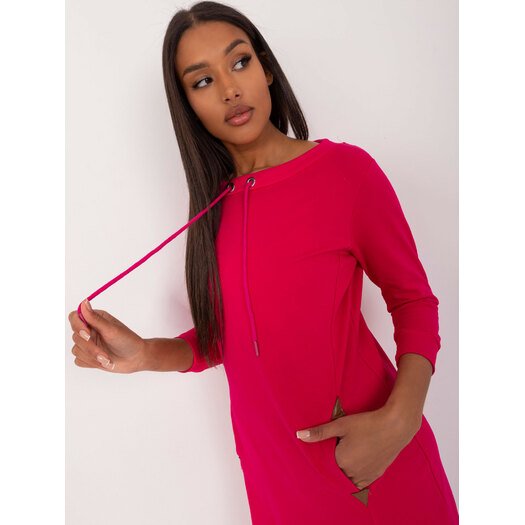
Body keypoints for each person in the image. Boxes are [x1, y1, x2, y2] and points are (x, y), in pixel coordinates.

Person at [68, 2, 459, 523]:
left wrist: (400, 421)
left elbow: (413, 301)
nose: (230, 89)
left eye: (240, 62)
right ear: (188, 105)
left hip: (377, 466)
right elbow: (230, 337)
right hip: (277, 485)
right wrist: (144, 353)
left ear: (266, 69)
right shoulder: (212, 213)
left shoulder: (345, 173)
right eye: (202, 81)